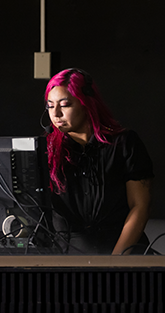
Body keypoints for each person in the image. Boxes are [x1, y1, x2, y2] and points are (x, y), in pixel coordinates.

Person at [44, 68, 154, 255]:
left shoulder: (124, 143)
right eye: (50, 105)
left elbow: (140, 206)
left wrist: (116, 262)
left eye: (64, 104)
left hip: (123, 254)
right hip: (69, 258)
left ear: (86, 104)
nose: (56, 113)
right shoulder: (47, 150)